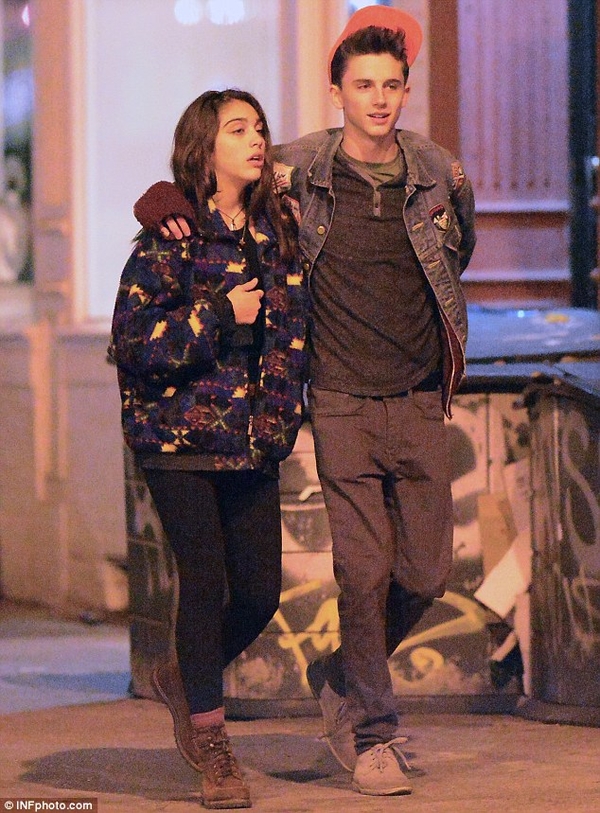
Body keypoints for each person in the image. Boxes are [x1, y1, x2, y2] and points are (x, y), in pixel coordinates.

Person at [133, 5, 476, 799]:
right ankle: (372, 732)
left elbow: (459, 250)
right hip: (342, 398)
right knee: (363, 572)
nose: (379, 98)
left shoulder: (440, 172)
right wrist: (159, 200)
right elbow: (212, 171)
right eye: (364, 85)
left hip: (418, 397)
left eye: (391, 85)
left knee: (426, 571)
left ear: (406, 90)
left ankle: (344, 673)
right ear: (337, 92)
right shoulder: (298, 168)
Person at [109, 88, 307, 810]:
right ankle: (213, 742)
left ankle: (184, 678)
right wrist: (219, 312)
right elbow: (133, 344)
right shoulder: (170, 238)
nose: (255, 139)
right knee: (205, 581)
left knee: (258, 593)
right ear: (205, 146)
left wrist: (284, 418)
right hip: (179, 438)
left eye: (259, 128)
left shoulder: (280, 230)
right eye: (236, 129)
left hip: (254, 440)